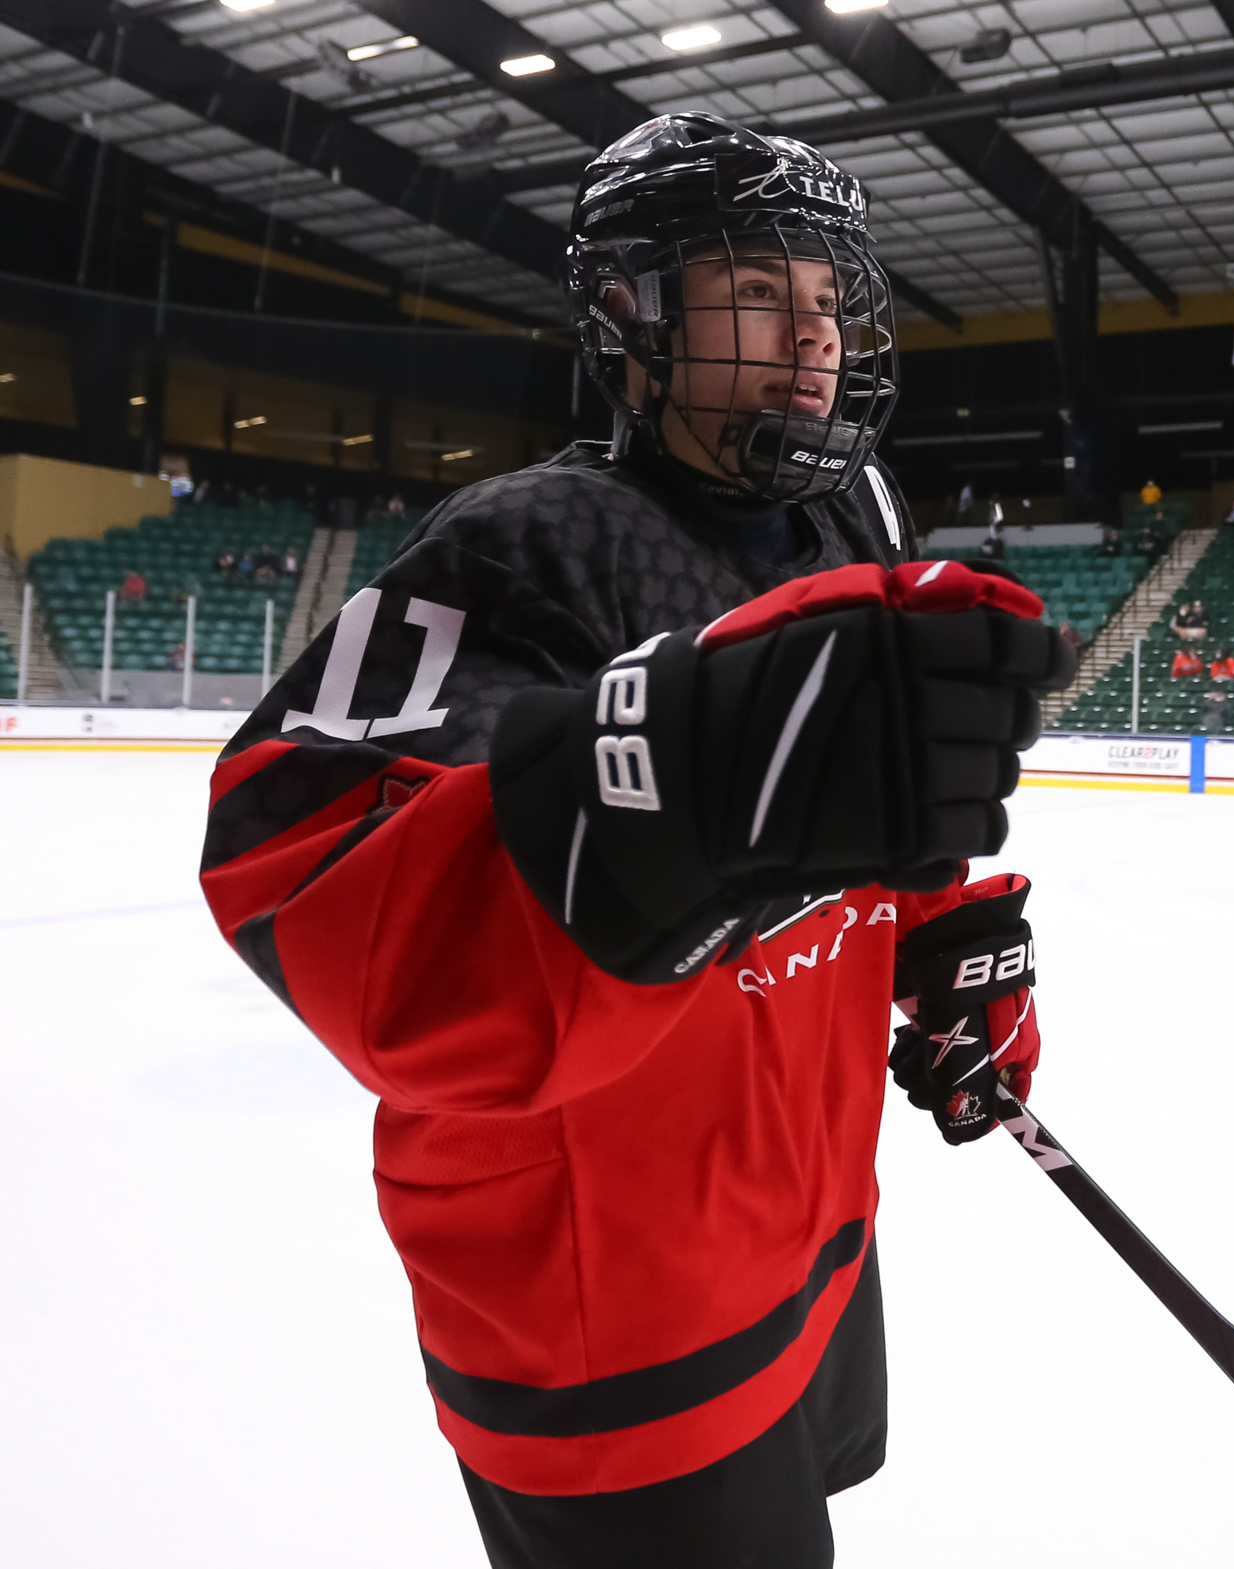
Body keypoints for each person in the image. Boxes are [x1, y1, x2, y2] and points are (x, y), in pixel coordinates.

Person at [197, 114, 1077, 1569]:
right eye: (754, 294)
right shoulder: (532, 544)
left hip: (806, 1215)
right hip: (605, 1291)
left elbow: (853, 794)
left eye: (830, 301)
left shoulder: (849, 510)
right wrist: (656, 790)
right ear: (629, 316)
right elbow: (309, 875)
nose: (813, 341)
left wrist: (945, 931)